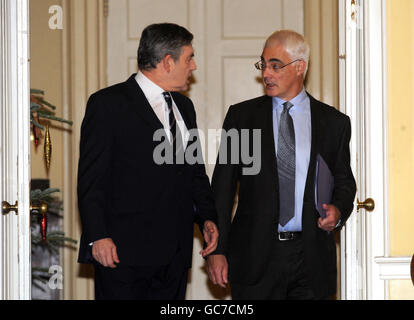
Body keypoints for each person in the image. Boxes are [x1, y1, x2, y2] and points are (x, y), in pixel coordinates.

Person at [206, 30, 356, 300]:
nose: (266, 73)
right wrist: (218, 250)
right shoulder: (242, 118)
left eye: (275, 65)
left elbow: (344, 181)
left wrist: (338, 210)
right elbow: (223, 189)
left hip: (310, 258)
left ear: (300, 67)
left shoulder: (334, 123)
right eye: (263, 64)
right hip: (255, 257)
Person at [77, 23, 218, 300]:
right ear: (168, 61)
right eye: (189, 58)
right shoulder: (108, 104)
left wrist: (208, 219)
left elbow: (195, 173)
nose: (194, 66)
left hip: (174, 257)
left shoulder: (185, 108)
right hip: (122, 254)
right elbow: (92, 179)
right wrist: (98, 236)